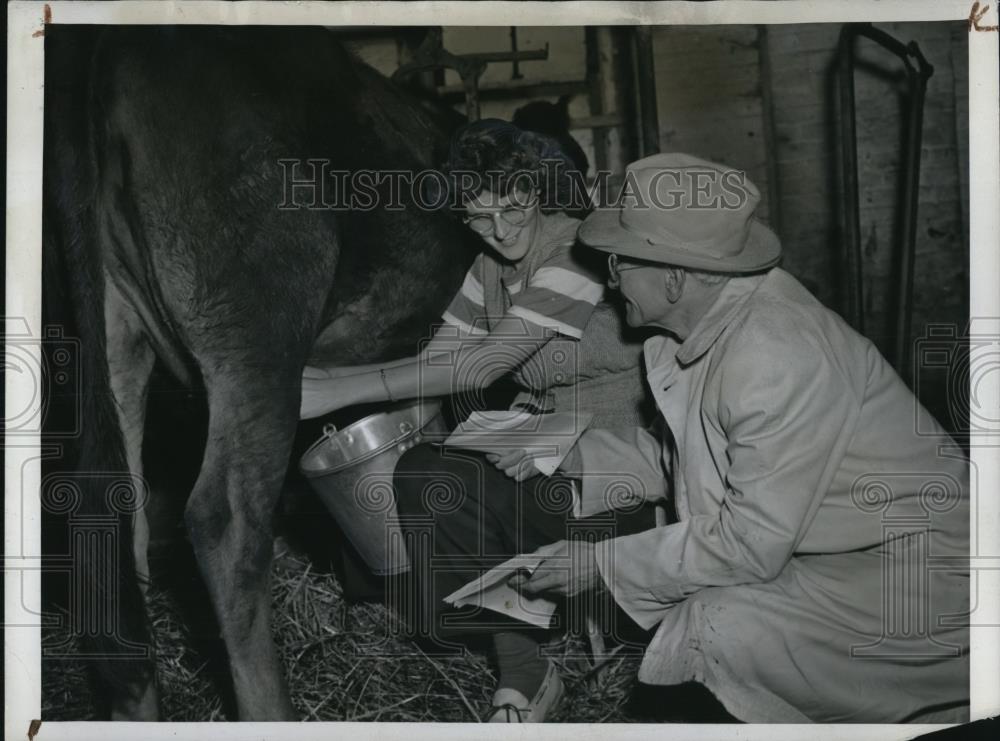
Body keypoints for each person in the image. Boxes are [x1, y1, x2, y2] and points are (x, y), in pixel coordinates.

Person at [495, 152, 971, 723]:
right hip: (830, 552)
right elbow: (686, 456)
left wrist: (599, 564)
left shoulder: (776, 352)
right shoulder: (702, 326)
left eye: (619, 262)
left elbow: (749, 541)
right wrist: (565, 452)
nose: (610, 277)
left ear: (672, 277)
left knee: (716, 626)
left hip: (910, 577)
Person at [300, 119, 655, 722]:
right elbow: (437, 358)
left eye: (513, 211)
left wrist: (331, 395)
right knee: (419, 471)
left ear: (537, 192)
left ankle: (522, 656)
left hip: (623, 470)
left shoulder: (576, 250)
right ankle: (524, 664)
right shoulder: (489, 267)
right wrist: (311, 379)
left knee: (460, 484)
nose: (501, 232)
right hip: (547, 450)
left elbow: (486, 361)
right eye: (478, 217)